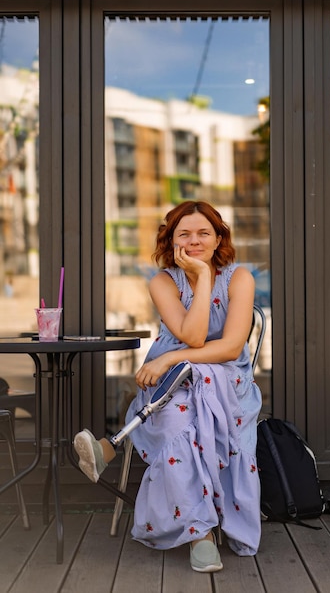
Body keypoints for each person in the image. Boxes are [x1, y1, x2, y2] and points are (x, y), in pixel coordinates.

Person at [74, 200, 262, 573]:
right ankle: (201, 534)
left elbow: (231, 347)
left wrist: (168, 359)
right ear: (171, 239)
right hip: (169, 386)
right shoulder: (163, 281)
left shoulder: (240, 278)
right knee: (178, 416)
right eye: (184, 234)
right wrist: (201, 278)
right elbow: (192, 335)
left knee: (186, 404)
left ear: (219, 237)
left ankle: (112, 444)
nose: (194, 241)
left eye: (203, 233)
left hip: (224, 379)